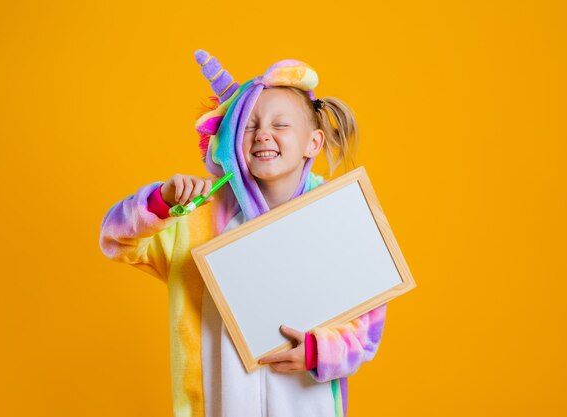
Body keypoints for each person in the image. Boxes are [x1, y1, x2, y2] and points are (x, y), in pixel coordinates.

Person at [99, 49, 388, 417]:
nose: (262, 135)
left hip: (306, 405)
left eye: (280, 125)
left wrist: (320, 351)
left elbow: (366, 328)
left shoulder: (337, 216)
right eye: (249, 126)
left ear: (312, 143)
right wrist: (160, 202)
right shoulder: (195, 218)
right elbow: (116, 240)